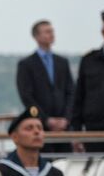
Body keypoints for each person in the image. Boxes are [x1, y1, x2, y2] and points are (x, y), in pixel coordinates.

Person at [15, 21, 74, 153]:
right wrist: (46, 120)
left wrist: (66, 118)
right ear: (36, 36)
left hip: (64, 127)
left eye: (52, 31)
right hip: (40, 127)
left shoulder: (62, 62)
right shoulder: (26, 64)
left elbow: (71, 91)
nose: (51, 35)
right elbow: (26, 95)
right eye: (47, 31)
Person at [71, 9, 104, 137]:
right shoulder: (89, 60)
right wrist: (76, 130)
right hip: (95, 130)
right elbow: (79, 96)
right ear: (103, 32)